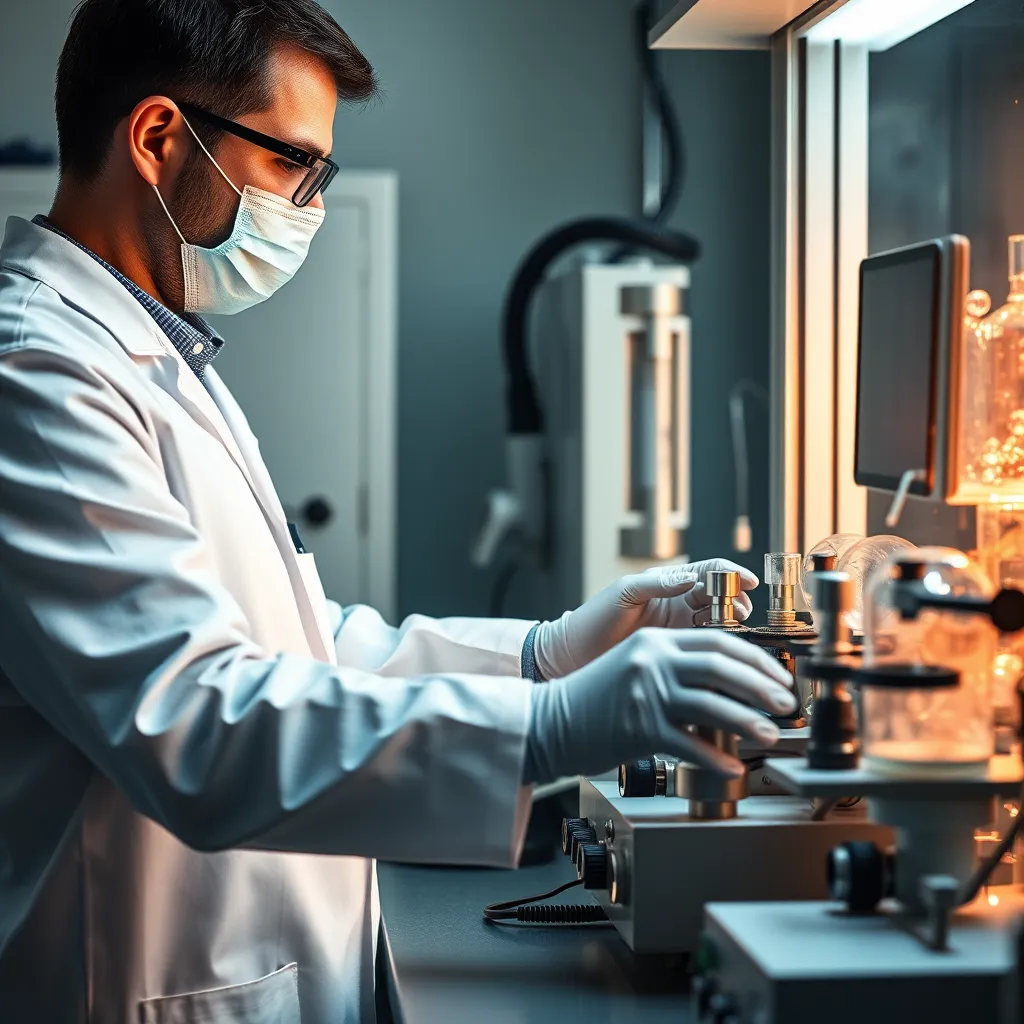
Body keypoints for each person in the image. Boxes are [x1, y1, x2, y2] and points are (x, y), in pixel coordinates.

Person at [0, 1, 795, 1021]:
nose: (311, 207)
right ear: (158, 137)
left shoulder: (156, 351)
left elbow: (297, 644)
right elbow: (195, 719)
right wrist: (548, 727)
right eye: (294, 161)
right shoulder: (36, 373)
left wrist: (542, 656)